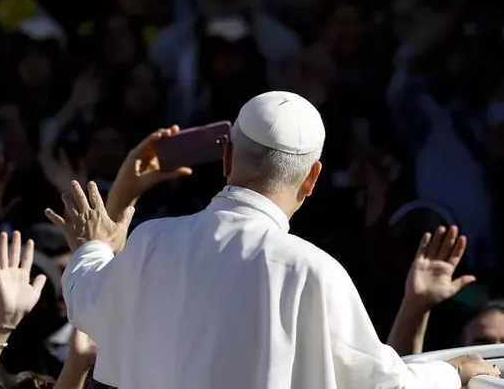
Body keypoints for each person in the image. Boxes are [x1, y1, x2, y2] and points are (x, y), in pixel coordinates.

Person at [46, 91, 501, 389]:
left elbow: (85, 297)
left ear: (225, 158)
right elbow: (382, 384)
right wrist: (452, 372)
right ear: (312, 179)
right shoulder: (312, 269)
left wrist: (93, 244)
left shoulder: (151, 240)